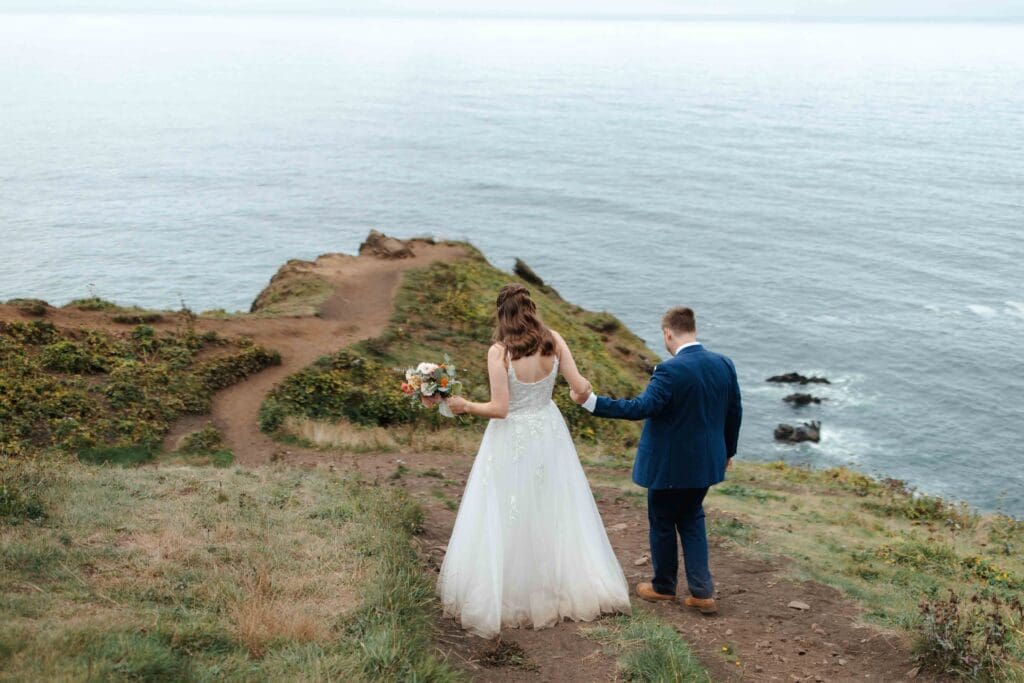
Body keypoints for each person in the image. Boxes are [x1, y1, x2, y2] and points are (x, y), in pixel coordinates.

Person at [439, 284, 630, 638]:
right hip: (548, 431)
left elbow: (500, 409)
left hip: (510, 437)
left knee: (508, 508)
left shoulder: (500, 352)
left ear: (502, 315)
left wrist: (465, 406)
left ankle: (513, 591)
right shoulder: (553, 341)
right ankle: (559, 586)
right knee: (554, 505)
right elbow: (581, 388)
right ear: (531, 310)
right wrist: (580, 390)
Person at [572, 306, 741, 614]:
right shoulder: (723, 364)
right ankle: (702, 592)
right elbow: (734, 412)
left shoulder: (669, 370)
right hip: (707, 462)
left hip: (670, 467)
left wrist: (591, 401)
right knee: (692, 518)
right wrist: (728, 451)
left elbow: (641, 407)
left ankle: (663, 586)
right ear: (693, 329)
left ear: (668, 333)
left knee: (662, 520)